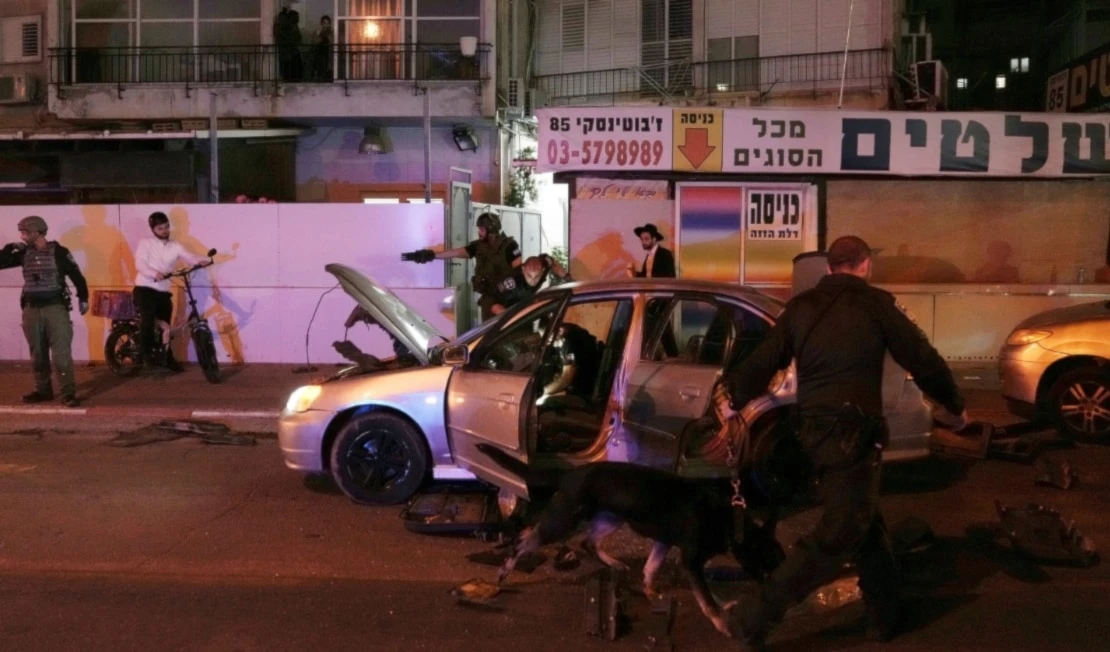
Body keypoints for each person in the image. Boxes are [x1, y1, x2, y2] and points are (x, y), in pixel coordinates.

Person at [722, 235, 969, 650]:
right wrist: (955, 409)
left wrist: (734, 399)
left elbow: (764, 360)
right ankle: (754, 616)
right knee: (840, 529)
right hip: (853, 436)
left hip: (812, 436)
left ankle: (885, 613)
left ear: (830, 266)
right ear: (864, 264)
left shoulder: (800, 309)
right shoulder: (876, 306)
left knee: (862, 517)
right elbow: (923, 359)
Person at [0, 216, 89, 407]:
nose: (22, 236)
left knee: (61, 354)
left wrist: (83, 297)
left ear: (36, 232)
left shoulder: (59, 252)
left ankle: (68, 393)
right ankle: (43, 391)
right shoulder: (24, 254)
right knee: (38, 354)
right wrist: (8, 249)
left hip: (55, 308)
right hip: (32, 309)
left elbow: (76, 275)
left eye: (25, 232)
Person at [403, 212, 522, 321]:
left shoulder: (509, 247)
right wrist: (431, 255)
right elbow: (456, 252)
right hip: (489, 299)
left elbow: (520, 274)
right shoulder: (479, 246)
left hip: (506, 300)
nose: (479, 232)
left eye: (481, 229)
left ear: (490, 229)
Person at [133, 212, 210, 372]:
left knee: (166, 327)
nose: (164, 230)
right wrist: (155, 273)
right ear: (153, 229)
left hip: (163, 291)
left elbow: (189, 257)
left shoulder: (175, 245)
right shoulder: (146, 243)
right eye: (160, 228)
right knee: (147, 322)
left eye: (166, 226)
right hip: (145, 289)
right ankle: (146, 355)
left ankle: (166, 358)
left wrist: (202, 261)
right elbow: (140, 264)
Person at [489, 254, 572, 316]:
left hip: (525, 305)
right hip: (507, 311)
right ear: (523, 269)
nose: (532, 280)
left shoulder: (543, 264)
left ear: (542, 270)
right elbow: (493, 304)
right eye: (529, 276)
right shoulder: (511, 283)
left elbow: (552, 262)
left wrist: (567, 277)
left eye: (536, 276)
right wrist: (510, 319)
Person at [312, 15, 333, 82]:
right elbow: (314, 42)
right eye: (324, 23)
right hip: (319, 55)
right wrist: (322, 35)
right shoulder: (318, 32)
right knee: (319, 72)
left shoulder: (331, 33)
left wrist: (328, 35)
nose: (326, 25)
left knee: (327, 73)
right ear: (321, 23)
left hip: (327, 55)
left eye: (327, 23)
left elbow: (332, 42)